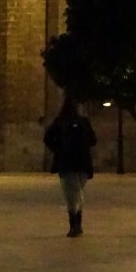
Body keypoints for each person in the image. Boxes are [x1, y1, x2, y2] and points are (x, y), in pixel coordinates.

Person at [43, 95, 97, 237]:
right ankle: (78, 223)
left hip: (66, 163)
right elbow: (93, 140)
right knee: (78, 191)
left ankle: (74, 225)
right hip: (83, 163)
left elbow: (47, 138)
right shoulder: (84, 122)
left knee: (70, 195)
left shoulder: (60, 122)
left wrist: (58, 149)